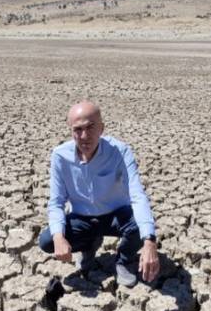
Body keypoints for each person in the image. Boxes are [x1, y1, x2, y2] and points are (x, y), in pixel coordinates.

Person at [37, 101, 160, 287]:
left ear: (102, 128)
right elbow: (56, 202)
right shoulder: (60, 156)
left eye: (90, 127)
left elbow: (137, 195)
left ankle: (124, 260)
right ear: (71, 131)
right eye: (78, 129)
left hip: (116, 216)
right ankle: (88, 247)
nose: (84, 136)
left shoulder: (120, 152)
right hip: (82, 217)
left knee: (140, 225)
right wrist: (58, 237)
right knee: (48, 241)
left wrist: (150, 241)